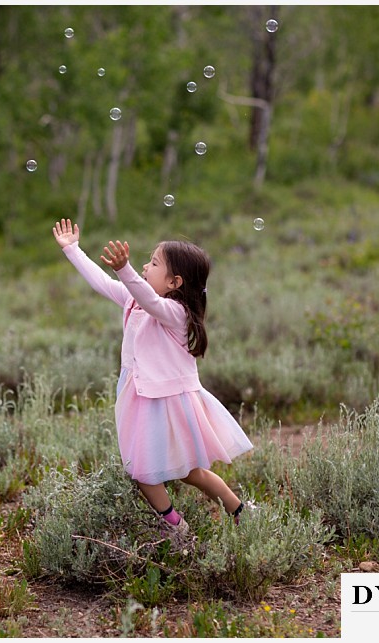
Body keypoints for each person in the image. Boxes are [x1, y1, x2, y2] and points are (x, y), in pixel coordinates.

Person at [52, 218, 254, 536]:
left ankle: (199, 522)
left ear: (174, 282)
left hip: (167, 401)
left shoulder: (176, 313)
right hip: (141, 397)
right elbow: (103, 284)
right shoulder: (135, 301)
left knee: (169, 471)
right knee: (166, 470)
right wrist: (73, 250)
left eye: (153, 263)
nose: (146, 266)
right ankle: (199, 520)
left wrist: (125, 269)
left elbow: (148, 298)